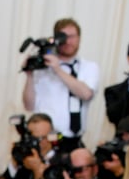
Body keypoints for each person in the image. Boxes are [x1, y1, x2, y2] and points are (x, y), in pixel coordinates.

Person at [22, 17, 99, 149]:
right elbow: (29, 106)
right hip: (48, 139)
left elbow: (86, 94)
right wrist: (29, 76)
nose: (68, 41)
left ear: (79, 38)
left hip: (74, 140)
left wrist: (58, 69)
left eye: (72, 36)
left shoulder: (89, 67)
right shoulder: (43, 69)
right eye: (63, 37)